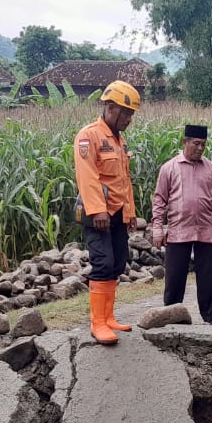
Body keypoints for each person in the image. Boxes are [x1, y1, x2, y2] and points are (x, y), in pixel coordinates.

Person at [74, 80, 141, 344]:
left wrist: (131, 212)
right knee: (102, 263)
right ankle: (98, 323)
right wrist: (98, 211)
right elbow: (87, 176)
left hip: (117, 214)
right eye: (125, 113)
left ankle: (109, 317)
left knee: (117, 262)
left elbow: (124, 179)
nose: (128, 119)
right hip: (98, 214)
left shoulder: (119, 141)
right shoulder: (88, 136)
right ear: (110, 107)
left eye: (131, 115)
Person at [150, 124, 212, 324]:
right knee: (175, 277)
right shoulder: (169, 168)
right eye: (196, 143)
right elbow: (159, 201)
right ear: (185, 142)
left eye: (203, 144)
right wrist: (158, 229)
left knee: (209, 277)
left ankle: (210, 317)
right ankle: (170, 317)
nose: (200, 148)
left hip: (206, 230)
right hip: (178, 230)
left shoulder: (211, 169)